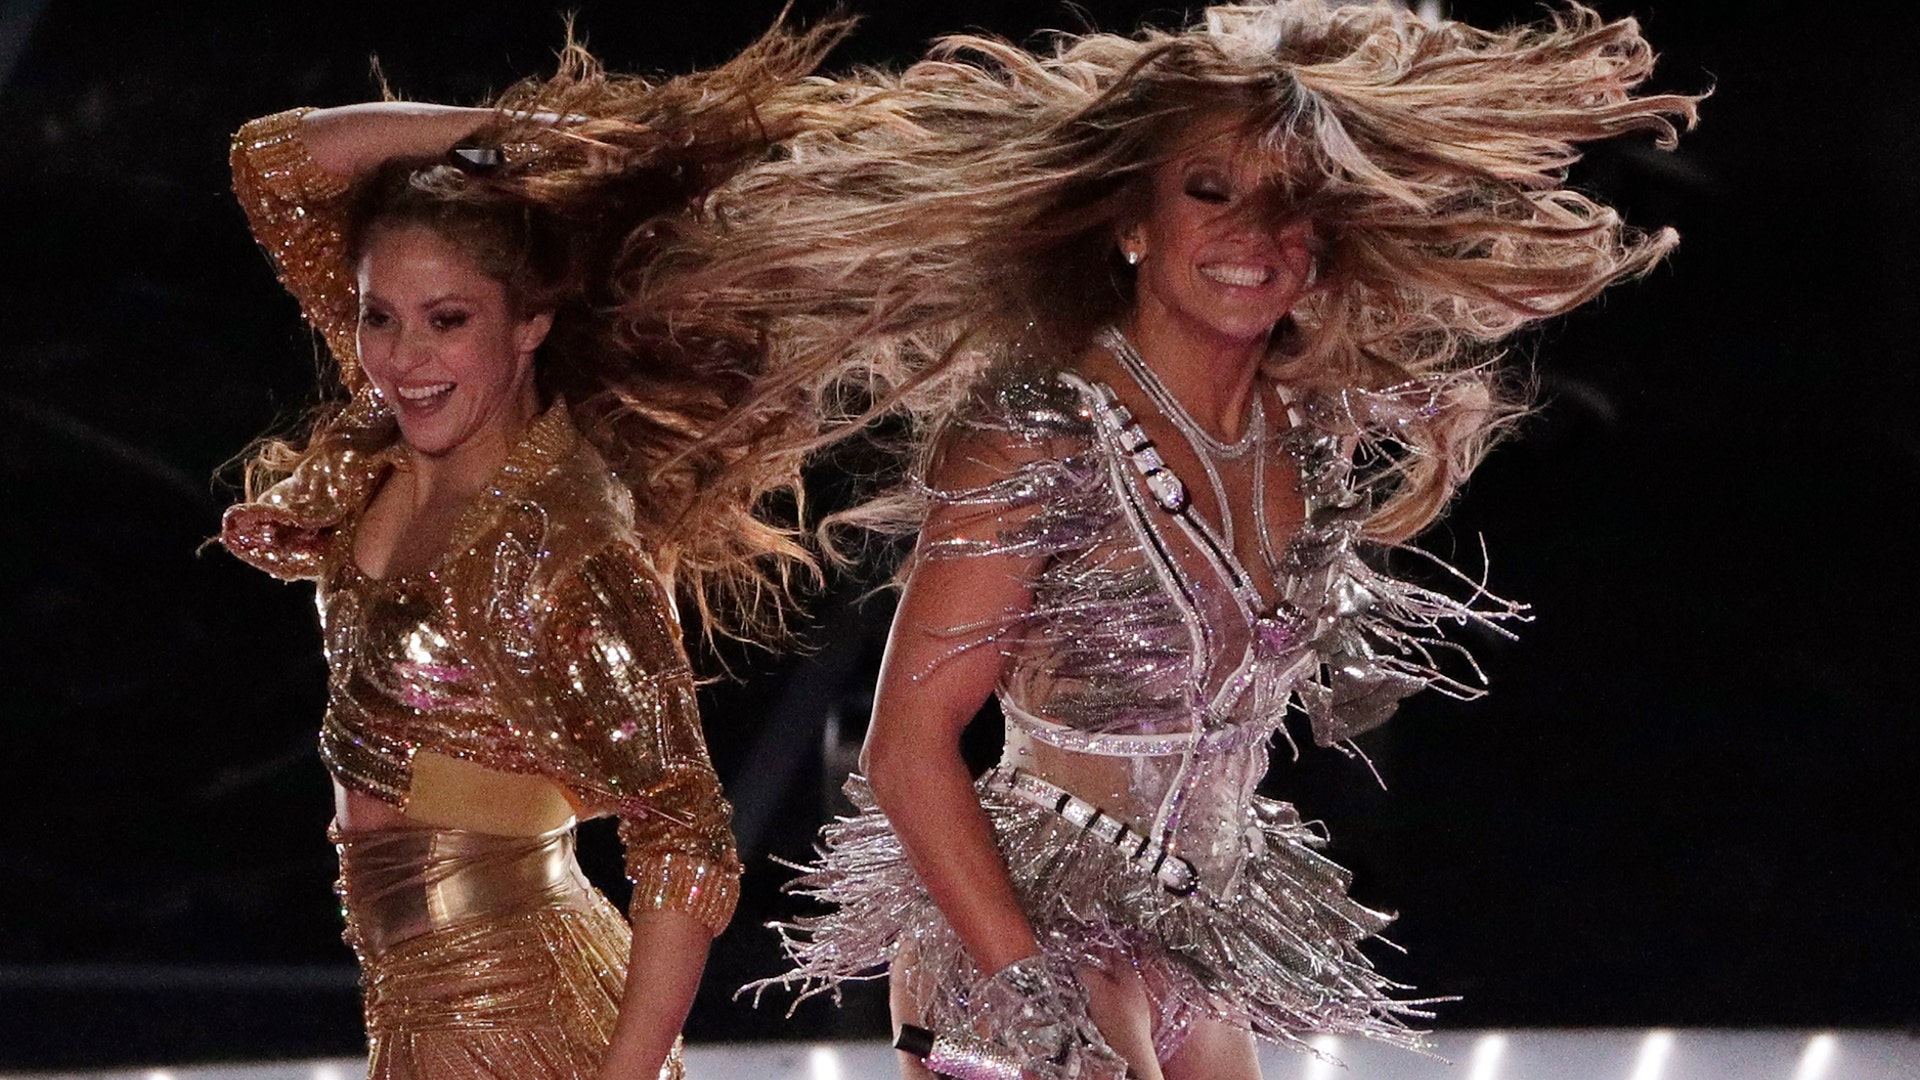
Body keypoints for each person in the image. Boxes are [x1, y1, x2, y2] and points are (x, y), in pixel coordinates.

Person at [664, 3, 1701, 1078]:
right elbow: (909, 748)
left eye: (1291, 202)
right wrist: (1031, 993)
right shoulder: (1041, 435)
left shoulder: (1301, 437)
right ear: (1132, 225)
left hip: (1197, 941)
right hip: (1025, 926)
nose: (1253, 234)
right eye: (1211, 192)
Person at [218, 23, 864, 1080]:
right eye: (379, 317)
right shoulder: (410, 418)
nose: (402, 357)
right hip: (423, 1008)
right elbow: (271, 161)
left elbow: (687, 836)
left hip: (520, 1028)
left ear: (529, 325)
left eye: (447, 320)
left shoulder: (563, 537)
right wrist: (505, 137)